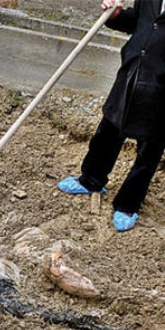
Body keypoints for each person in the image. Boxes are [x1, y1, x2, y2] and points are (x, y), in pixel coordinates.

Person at [57, 0, 165, 232]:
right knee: (108, 130)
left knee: (149, 150)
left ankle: (128, 203)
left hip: (161, 88)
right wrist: (116, 16)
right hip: (132, 73)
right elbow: (137, 22)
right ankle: (91, 179)